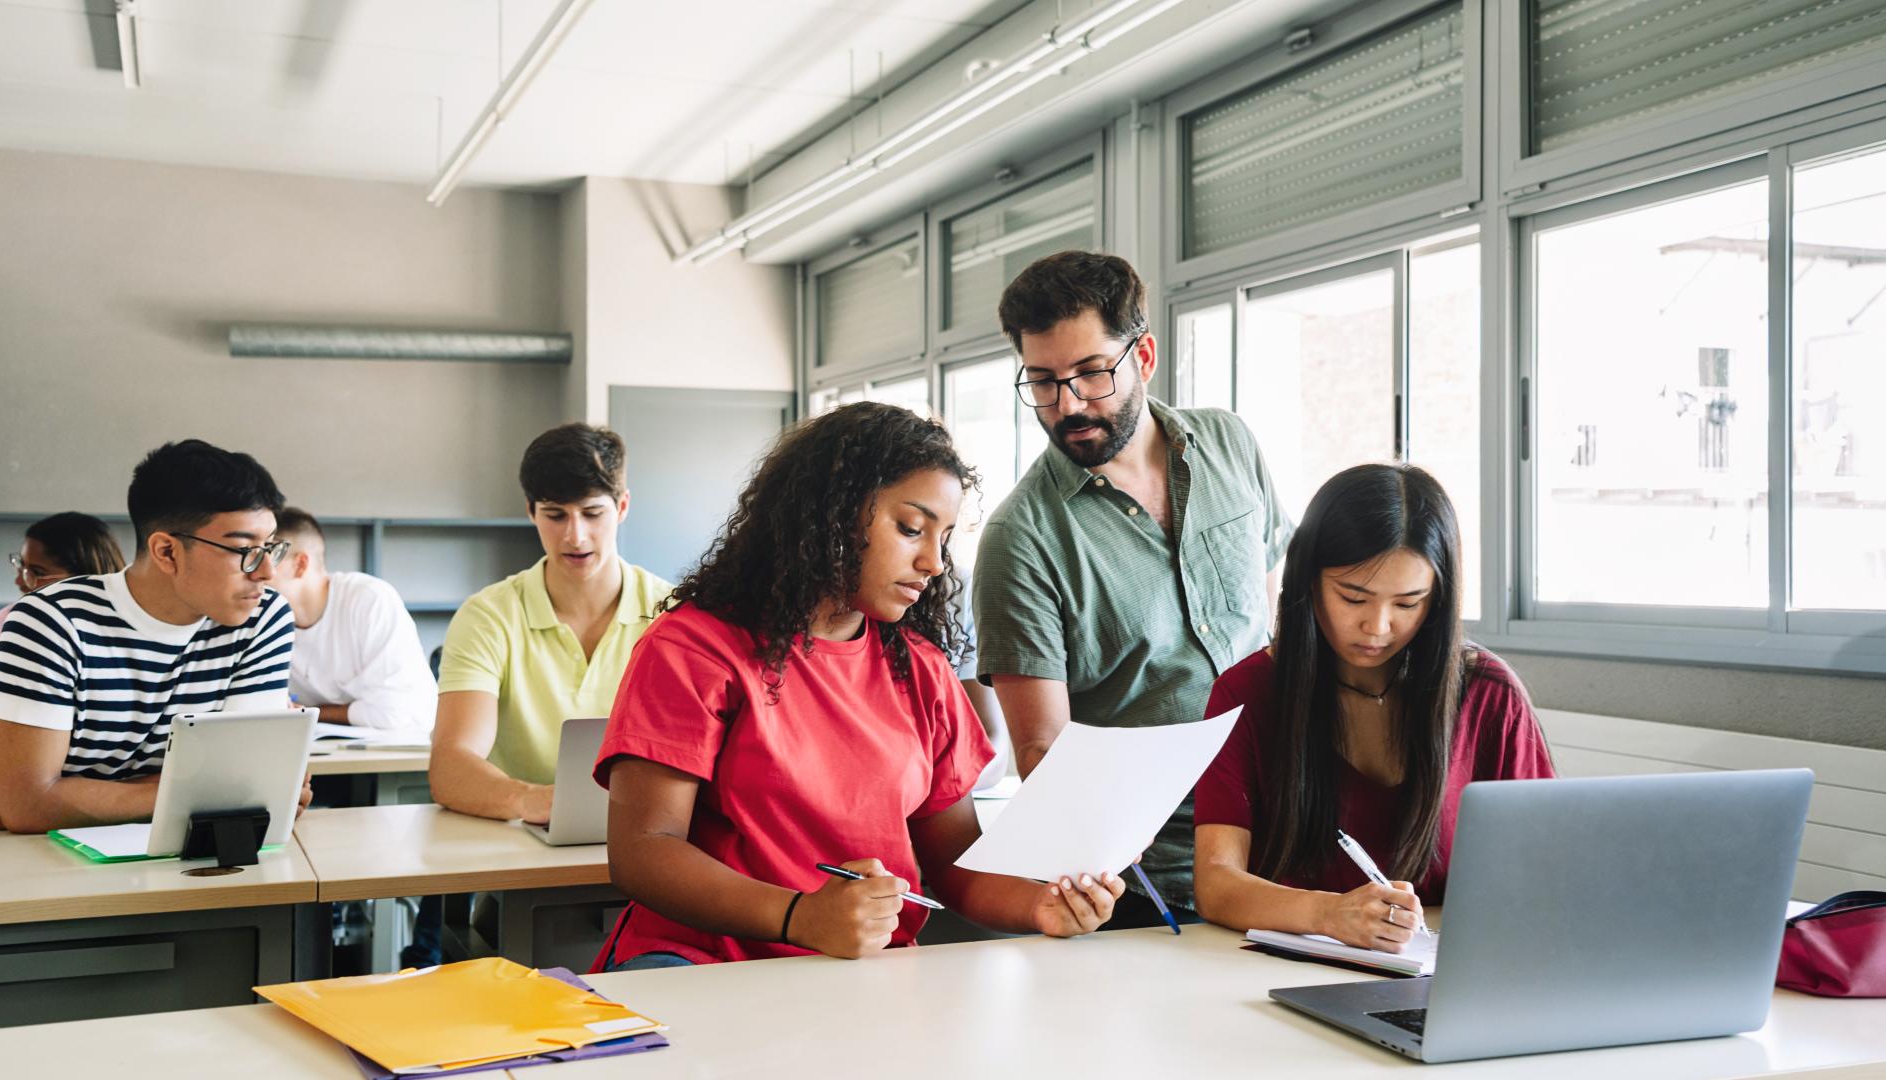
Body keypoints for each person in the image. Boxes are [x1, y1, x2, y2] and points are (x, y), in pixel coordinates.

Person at [594, 402, 1126, 970]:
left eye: (942, 539)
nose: (934, 563)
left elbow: (955, 868)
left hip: (862, 972)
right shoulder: (693, 649)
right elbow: (644, 851)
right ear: (832, 513)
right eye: (910, 528)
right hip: (702, 964)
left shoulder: (921, 669)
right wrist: (800, 916)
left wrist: (1043, 906)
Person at [973, 250, 1289, 927]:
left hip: (1281, 847)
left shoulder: (1230, 445)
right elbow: (1041, 752)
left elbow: (1269, 632)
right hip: (1150, 886)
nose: (1068, 405)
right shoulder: (1020, 538)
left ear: (1143, 355)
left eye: (1091, 373)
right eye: (1044, 382)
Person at [1192, 463, 1555, 951]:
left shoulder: (1490, 695)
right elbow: (1216, 884)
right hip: (1285, 971)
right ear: (1308, 581)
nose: (1378, 627)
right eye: (1353, 597)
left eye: (1408, 604)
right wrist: (1330, 913)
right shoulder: (1246, 693)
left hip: (1451, 968)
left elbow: (1547, 865)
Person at [0, 440, 301, 834]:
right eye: (244, 549)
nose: (266, 572)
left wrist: (78, 795)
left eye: (270, 547)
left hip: (196, 859)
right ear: (167, 552)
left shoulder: (263, 616)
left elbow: (248, 788)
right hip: (52, 869)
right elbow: (28, 807)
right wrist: (202, 792)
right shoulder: (48, 622)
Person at [430, 423, 670, 824]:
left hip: (648, 834)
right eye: (555, 515)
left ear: (622, 507)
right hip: (521, 841)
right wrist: (535, 802)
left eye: (592, 513)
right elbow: (451, 766)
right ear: (530, 511)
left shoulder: (672, 612)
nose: (575, 536)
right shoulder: (488, 616)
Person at [270, 508, 436, 731]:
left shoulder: (369, 599)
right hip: (322, 749)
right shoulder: (260, 616)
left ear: (300, 565)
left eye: (267, 557)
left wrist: (307, 712)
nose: (254, 571)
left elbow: (394, 712)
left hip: (403, 747)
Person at [0, 512, 126, 656]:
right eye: (22, 565)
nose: (19, 581)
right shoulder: (11, 620)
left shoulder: (136, 624)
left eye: (37, 572)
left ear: (83, 577)